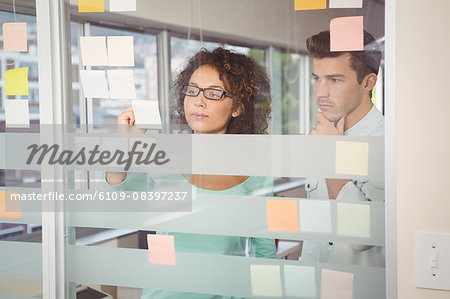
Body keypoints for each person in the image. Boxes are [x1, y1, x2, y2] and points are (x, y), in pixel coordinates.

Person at [104, 47, 276, 298]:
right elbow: (113, 207)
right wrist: (123, 146)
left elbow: (265, 255)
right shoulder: (163, 160)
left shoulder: (254, 173)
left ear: (238, 106)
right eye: (192, 90)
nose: (199, 101)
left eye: (214, 93)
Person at [300, 30, 385, 267]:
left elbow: (363, 238)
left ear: (367, 83)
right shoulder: (323, 136)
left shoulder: (387, 142)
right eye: (317, 78)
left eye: (334, 80)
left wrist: (330, 156)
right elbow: (314, 235)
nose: (320, 92)